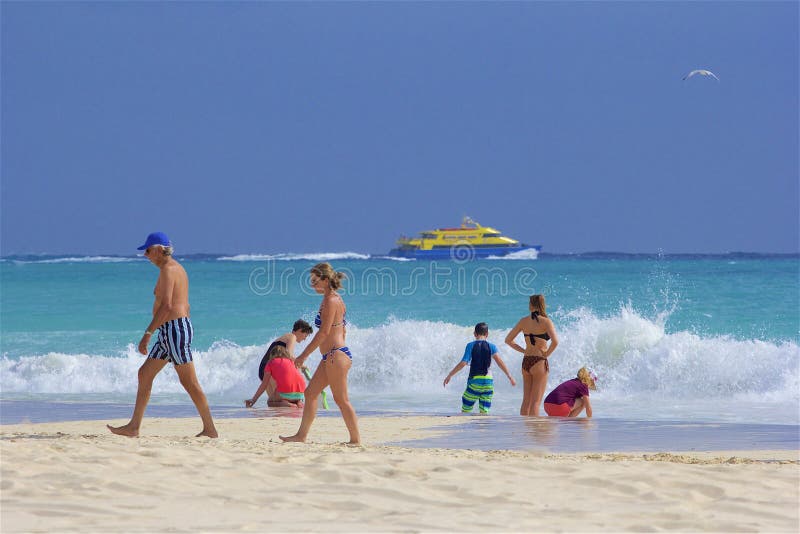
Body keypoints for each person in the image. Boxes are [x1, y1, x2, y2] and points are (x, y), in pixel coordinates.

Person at [108, 232, 218, 438]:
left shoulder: (169, 270)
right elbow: (185, 304)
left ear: (159, 249)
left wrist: (148, 334)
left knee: (189, 382)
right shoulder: (176, 269)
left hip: (175, 330)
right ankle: (134, 427)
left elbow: (167, 306)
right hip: (171, 331)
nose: (146, 256)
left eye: (148, 251)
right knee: (144, 374)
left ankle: (210, 429)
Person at [280, 263, 360, 445]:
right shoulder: (334, 299)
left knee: (341, 400)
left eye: (315, 281)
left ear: (325, 280)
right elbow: (343, 329)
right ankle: (301, 436)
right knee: (310, 393)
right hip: (333, 356)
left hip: (335, 356)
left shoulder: (331, 301)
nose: (312, 285)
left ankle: (355, 440)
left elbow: (323, 333)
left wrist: (303, 356)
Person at [443, 322, 516, 413]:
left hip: (474, 382)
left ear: (474, 334)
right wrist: (509, 376)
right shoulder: (492, 346)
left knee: (466, 408)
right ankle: (483, 425)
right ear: (487, 334)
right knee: (484, 411)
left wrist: (450, 375)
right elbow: (500, 362)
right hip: (488, 383)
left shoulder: (471, 345)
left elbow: (463, 363)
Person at [505, 294, 559, 416]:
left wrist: (524, 351)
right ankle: (534, 432)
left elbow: (508, 340)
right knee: (536, 402)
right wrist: (546, 354)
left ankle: (525, 432)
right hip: (539, 361)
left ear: (531, 305)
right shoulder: (546, 322)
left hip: (526, 361)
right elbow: (555, 342)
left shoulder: (523, 321)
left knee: (526, 401)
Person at [245, 320, 312, 407]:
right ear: (300, 330)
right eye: (305, 335)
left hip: (266, 368)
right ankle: (297, 403)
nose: (304, 339)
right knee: (282, 398)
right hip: (271, 368)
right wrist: (302, 365)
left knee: (276, 402)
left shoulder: (286, 337)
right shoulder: (292, 336)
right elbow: (289, 356)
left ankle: (283, 414)